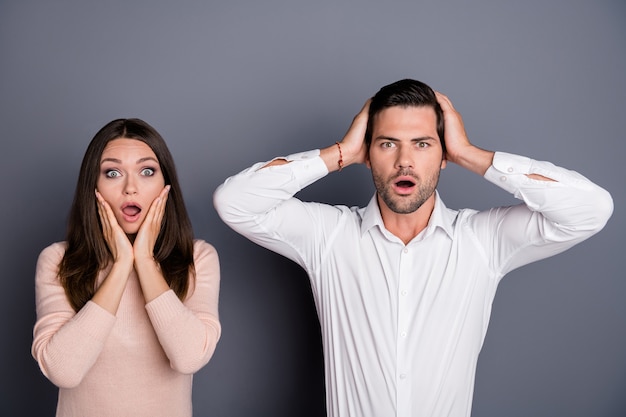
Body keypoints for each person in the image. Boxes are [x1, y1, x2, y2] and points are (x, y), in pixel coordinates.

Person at [213, 79, 613, 417]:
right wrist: (340, 154)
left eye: (422, 144)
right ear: (367, 155)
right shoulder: (328, 237)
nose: (405, 161)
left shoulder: (481, 240)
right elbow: (234, 202)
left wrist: (472, 156)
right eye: (387, 144)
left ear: (443, 156)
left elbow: (591, 210)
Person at [32, 118, 221, 417]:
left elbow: (188, 358)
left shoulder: (197, 258)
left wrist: (144, 260)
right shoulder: (58, 261)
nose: (130, 188)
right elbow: (63, 371)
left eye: (147, 171)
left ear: (165, 185)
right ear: (93, 186)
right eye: (113, 172)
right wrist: (121, 265)